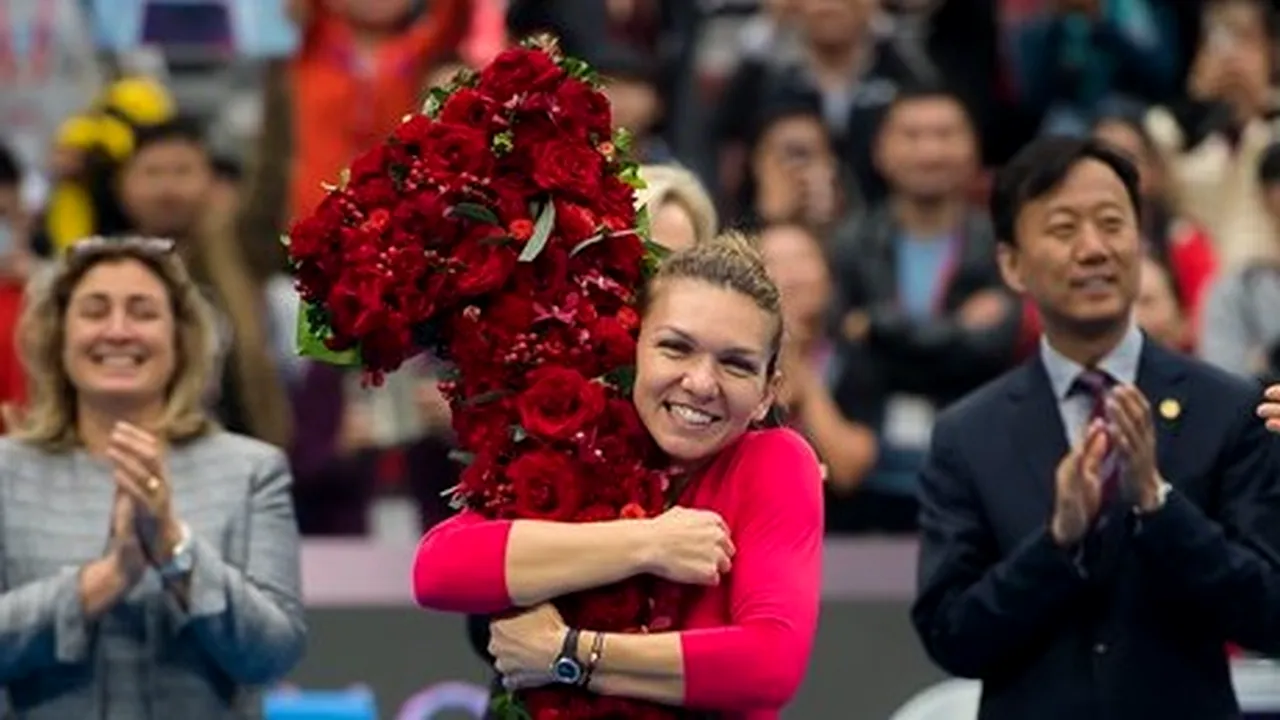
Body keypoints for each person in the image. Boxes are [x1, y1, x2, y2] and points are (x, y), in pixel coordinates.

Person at [910, 136, 1280, 720]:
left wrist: (1161, 507)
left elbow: (1269, 615)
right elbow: (951, 636)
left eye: (1112, 223)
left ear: (1142, 240)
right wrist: (1056, 543)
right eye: (1062, 229)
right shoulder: (968, 434)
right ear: (1011, 262)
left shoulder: (1229, 408)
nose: (1093, 249)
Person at [413, 234, 823, 717]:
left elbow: (767, 666)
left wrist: (568, 654)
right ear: (635, 346)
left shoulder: (776, 461)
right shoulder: (579, 440)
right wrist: (647, 544)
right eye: (676, 348)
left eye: (736, 364)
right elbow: (439, 571)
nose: (701, 382)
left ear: (766, 393)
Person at [0, 236, 306, 718]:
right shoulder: (8, 471)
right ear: (58, 335)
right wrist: (102, 581)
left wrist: (171, 549)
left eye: (142, 312)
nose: (118, 331)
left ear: (181, 338)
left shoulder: (251, 470)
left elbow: (273, 655)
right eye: (95, 311)